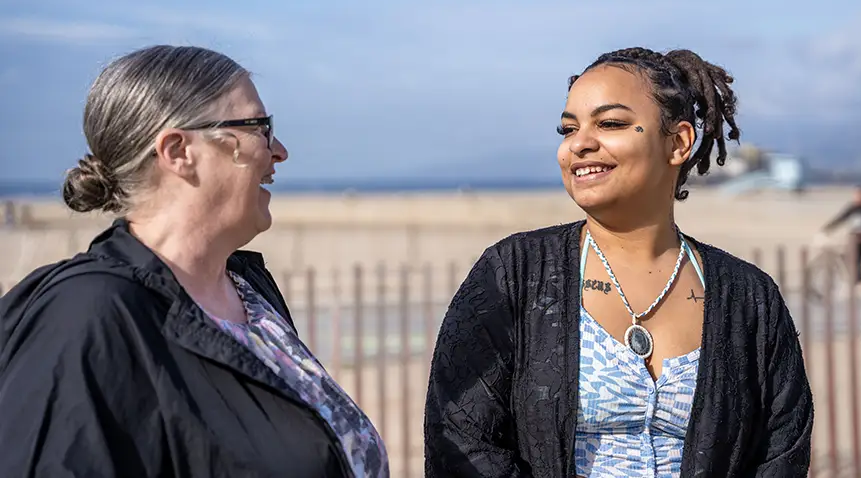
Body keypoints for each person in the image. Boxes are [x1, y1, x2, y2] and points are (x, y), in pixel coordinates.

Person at [0, 45, 388, 478]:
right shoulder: (87, 313)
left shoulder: (249, 291)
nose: (278, 150)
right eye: (259, 127)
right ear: (178, 151)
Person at [424, 47, 813, 477]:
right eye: (568, 129)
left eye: (610, 123)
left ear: (678, 142)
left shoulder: (750, 299)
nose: (580, 143)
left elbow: (781, 455)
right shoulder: (513, 274)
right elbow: (459, 438)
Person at [822, 184, 861, 285]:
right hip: (853, 239)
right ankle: (854, 278)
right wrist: (827, 229)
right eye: (857, 195)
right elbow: (841, 218)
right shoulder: (853, 208)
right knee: (846, 256)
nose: (858, 197)